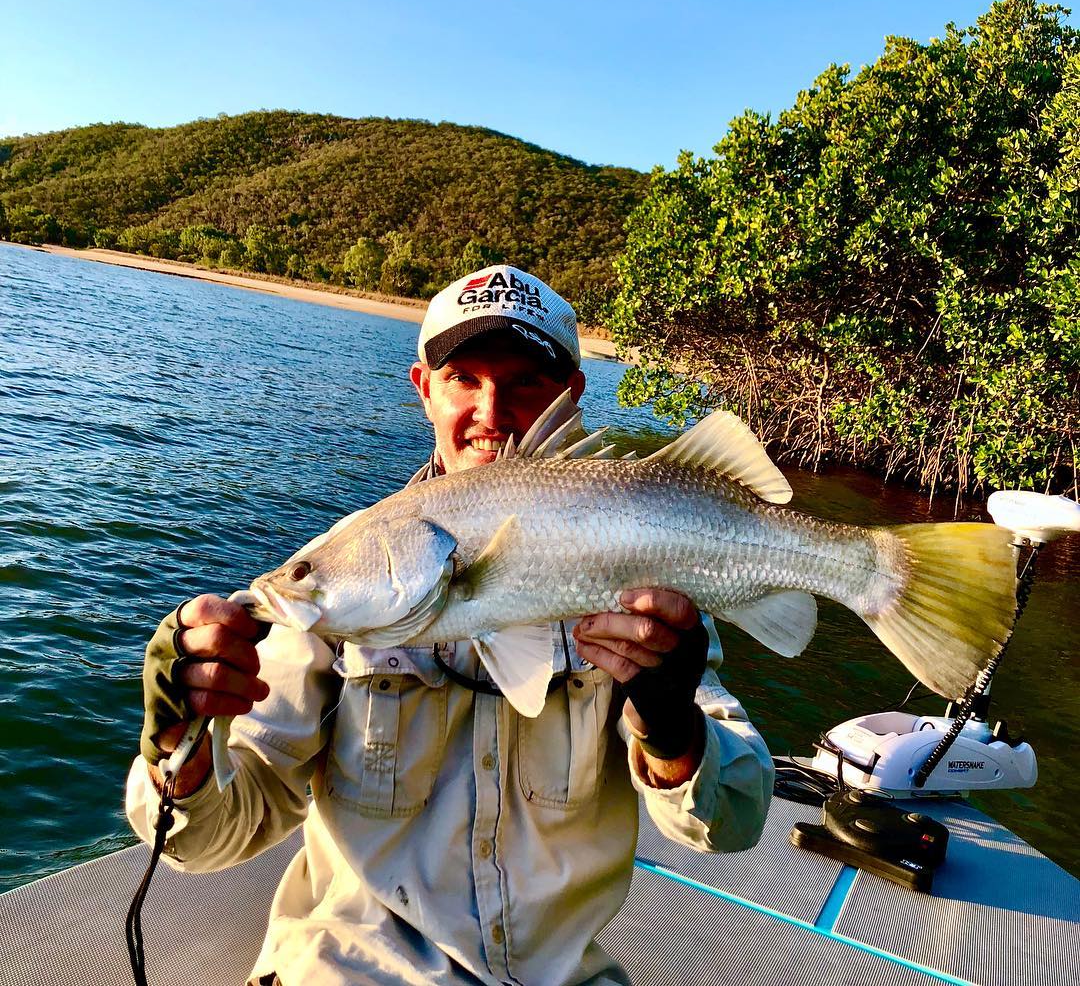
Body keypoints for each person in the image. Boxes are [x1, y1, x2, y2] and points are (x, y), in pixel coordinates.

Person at [127, 265, 774, 986]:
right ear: (424, 388)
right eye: (464, 376)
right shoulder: (343, 570)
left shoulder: (639, 560)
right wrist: (179, 735)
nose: (492, 412)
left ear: (573, 394)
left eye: (527, 380)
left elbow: (735, 824)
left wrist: (673, 728)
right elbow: (216, 837)